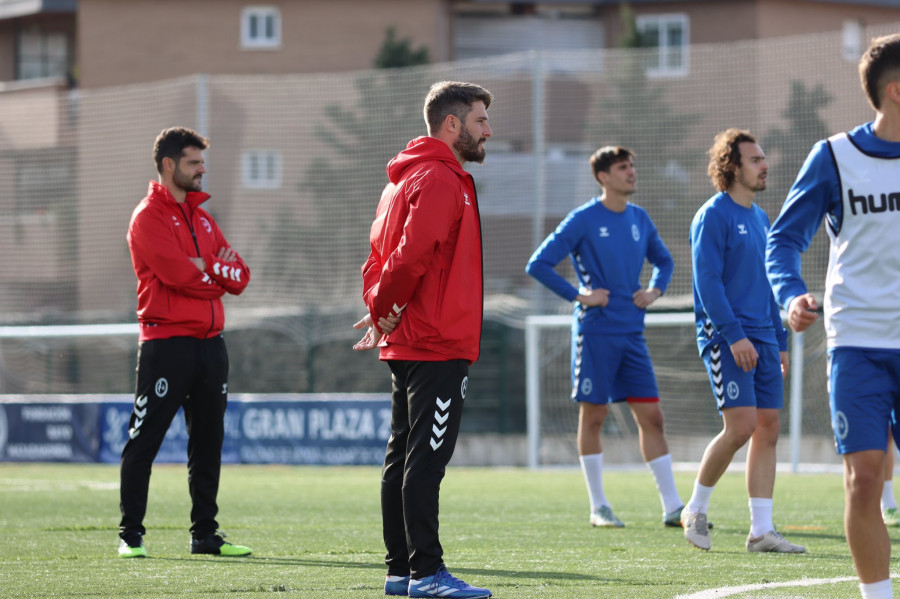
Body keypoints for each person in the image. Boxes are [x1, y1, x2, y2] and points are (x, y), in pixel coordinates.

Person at [765, 33, 900, 599]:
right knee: (864, 479)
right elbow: (783, 240)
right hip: (858, 345)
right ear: (896, 91)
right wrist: (791, 295)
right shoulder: (835, 156)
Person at [352, 81, 493, 599]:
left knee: (404, 455)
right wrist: (384, 311)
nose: (487, 130)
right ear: (451, 125)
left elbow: (376, 259)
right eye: (480, 120)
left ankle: (400, 571)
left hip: (415, 337)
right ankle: (426, 574)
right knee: (426, 459)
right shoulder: (438, 177)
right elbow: (408, 257)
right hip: (436, 340)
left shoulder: (405, 179)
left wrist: (381, 311)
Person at [525, 146, 686, 530]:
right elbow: (539, 264)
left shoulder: (640, 218)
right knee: (594, 415)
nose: (632, 173)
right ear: (603, 177)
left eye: (633, 166)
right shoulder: (582, 219)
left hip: (632, 333)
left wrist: (654, 291)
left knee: (653, 416)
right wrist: (579, 296)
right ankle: (599, 506)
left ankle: (674, 507)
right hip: (595, 333)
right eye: (623, 168)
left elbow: (665, 261)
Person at [118, 127, 252, 559]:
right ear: (169, 165)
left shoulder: (204, 218)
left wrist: (205, 266)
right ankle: (131, 536)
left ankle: (205, 536)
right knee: (145, 440)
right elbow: (178, 275)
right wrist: (213, 274)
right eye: (194, 162)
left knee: (209, 441)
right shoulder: (147, 217)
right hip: (166, 344)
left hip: (212, 346)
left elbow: (241, 276)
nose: (202, 169)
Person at [683, 128, 804, 554]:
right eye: (755, 159)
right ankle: (694, 509)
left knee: (768, 428)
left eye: (763, 157)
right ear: (731, 166)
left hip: (766, 339)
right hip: (727, 338)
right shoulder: (712, 215)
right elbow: (708, 282)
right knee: (741, 426)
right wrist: (735, 336)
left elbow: (769, 285)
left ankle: (761, 531)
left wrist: (779, 337)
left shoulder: (760, 217)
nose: (765, 164)